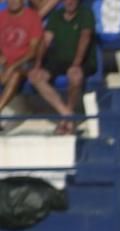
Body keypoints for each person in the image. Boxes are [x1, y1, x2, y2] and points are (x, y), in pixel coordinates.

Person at [25, 0, 95, 135]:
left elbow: (85, 37)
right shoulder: (56, 16)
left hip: (81, 60)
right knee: (35, 77)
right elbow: (46, 40)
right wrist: (38, 64)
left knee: (75, 76)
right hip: (59, 60)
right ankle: (67, 115)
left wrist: (76, 63)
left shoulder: (86, 14)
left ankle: (66, 118)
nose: (70, 2)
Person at [0, 0, 43, 130]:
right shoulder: (1, 17)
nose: (13, 2)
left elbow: (33, 52)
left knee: (15, 74)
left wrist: (12, 66)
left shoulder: (32, 17)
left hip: (24, 62)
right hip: (5, 61)